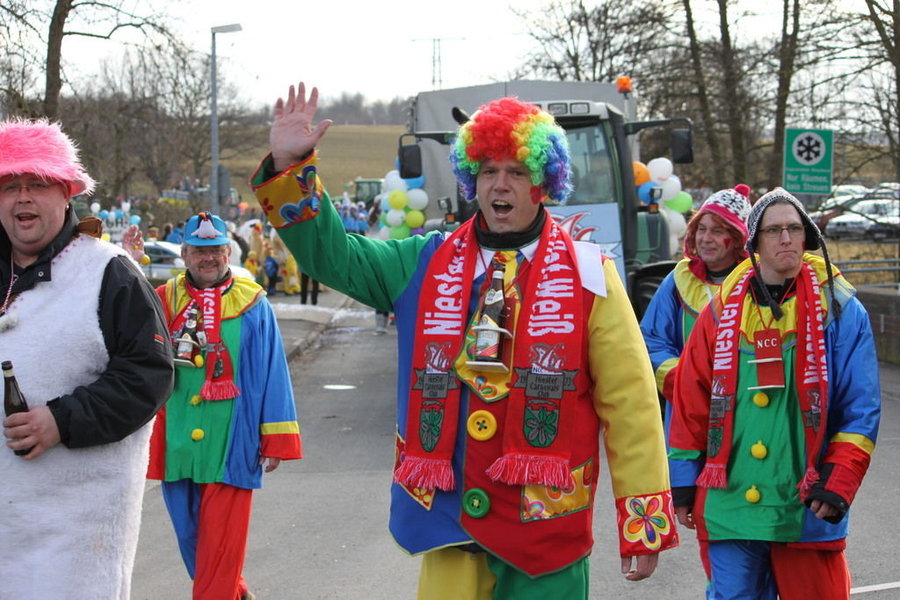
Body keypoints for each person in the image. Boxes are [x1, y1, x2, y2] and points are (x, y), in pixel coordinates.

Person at [252, 82, 677, 599]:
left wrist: (642, 519)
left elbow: (631, 405)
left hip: (545, 534)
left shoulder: (590, 274)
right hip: (449, 526)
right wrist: (290, 167)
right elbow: (333, 257)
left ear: (543, 183)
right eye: (489, 171)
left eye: (517, 172)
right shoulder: (421, 261)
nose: (501, 185)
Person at [668, 188, 881, 599]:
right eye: (774, 230)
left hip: (805, 502)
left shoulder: (840, 310)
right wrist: (683, 481)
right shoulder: (719, 312)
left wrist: (839, 479)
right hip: (729, 502)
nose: (786, 239)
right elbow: (692, 402)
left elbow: (860, 407)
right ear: (754, 243)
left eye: (795, 229)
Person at [0, 119, 174, 597]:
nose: (22, 198)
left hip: (76, 533)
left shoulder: (108, 272)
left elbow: (149, 374)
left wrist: (62, 420)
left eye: (38, 183)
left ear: (66, 193)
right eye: (10, 186)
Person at [147, 211, 302, 600]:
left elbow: (273, 370)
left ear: (228, 252)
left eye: (216, 250)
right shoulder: (163, 299)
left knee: (221, 541)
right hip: (176, 439)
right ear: (185, 254)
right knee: (190, 535)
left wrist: (276, 437)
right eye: (200, 251)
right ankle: (235, 592)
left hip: (233, 440)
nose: (209, 258)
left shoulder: (253, 303)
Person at [640, 185, 752, 427]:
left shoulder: (757, 281)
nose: (705, 238)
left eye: (717, 231)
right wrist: (684, 381)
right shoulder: (678, 280)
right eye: (701, 229)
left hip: (746, 409)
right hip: (688, 412)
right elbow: (652, 340)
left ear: (737, 239)